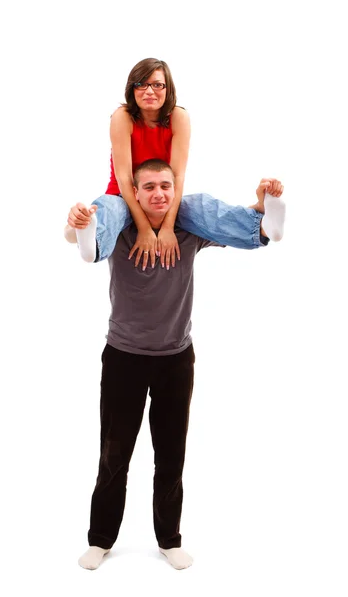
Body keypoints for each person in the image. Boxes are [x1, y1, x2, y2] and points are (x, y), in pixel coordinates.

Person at [74, 159, 284, 570]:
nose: (158, 194)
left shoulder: (187, 230)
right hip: (124, 358)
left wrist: (260, 207)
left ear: (175, 189)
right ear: (134, 194)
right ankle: (100, 539)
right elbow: (75, 235)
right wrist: (79, 223)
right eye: (148, 186)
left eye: (166, 186)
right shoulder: (120, 230)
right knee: (114, 455)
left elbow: (230, 227)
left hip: (175, 359)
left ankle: (169, 539)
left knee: (171, 455)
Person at [64, 57, 285, 269]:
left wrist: (168, 227)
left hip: (164, 199)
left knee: (200, 206)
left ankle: (263, 227)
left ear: (168, 89)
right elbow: (124, 178)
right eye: (141, 84)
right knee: (110, 208)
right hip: (125, 195)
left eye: (157, 85)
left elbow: (177, 176)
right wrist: (144, 229)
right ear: (132, 89)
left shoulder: (179, 117)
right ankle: (90, 243)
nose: (149, 91)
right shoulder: (122, 117)